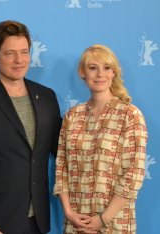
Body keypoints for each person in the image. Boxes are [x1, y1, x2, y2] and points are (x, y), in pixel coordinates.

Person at [0, 20, 61, 234]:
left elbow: (63, 153)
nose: (19, 60)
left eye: (24, 52)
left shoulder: (46, 97)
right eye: (10, 53)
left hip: (39, 221)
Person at [53, 44, 148, 233]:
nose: (100, 75)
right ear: (82, 72)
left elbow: (133, 175)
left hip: (114, 224)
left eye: (106, 68)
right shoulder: (73, 116)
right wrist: (70, 213)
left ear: (114, 72)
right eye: (93, 68)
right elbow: (61, 168)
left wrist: (103, 220)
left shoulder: (130, 115)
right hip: (76, 222)